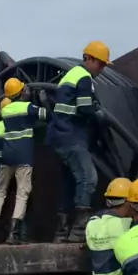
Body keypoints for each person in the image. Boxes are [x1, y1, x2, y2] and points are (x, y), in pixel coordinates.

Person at [46, 41, 110, 243]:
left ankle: (61, 231)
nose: (102, 69)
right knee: (88, 177)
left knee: (69, 182)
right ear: (89, 59)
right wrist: (97, 110)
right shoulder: (83, 77)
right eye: (100, 64)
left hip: (59, 137)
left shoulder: (69, 76)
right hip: (71, 136)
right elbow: (84, 107)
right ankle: (79, 229)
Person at [0, 78, 46, 245]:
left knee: (0, 192)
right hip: (24, 157)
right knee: (22, 193)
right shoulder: (27, 107)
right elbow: (45, 115)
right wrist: (43, 101)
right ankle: (14, 234)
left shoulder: (5, 111)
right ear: (21, 93)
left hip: (7, 156)